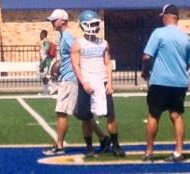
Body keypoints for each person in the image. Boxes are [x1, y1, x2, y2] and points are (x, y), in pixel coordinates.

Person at [42, 9, 109, 156]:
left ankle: (59, 145)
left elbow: (78, 54)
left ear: (63, 21)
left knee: (61, 112)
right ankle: (103, 138)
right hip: (68, 77)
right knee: (82, 115)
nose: (52, 23)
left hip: (70, 79)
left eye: (54, 20)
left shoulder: (67, 37)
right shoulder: (62, 36)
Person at [141, 4, 190, 162]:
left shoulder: (159, 33)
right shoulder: (186, 37)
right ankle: (179, 151)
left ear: (166, 16)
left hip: (161, 81)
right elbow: (189, 61)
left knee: (153, 115)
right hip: (179, 82)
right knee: (176, 116)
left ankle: (149, 152)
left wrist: (145, 71)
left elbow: (146, 56)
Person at [71, 10, 125, 157]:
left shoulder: (103, 43)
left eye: (96, 23)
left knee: (110, 115)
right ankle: (89, 147)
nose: (95, 26)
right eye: (92, 24)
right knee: (87, 117)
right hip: (87, 83)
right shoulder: (78, 45)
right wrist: (83, 83)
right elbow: (76, 66)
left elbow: (107, 63)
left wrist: (110, 83)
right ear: (83, 25)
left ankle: (115, 145)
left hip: (102, 82)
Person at [38, 30, 53, 95]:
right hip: (44, 60)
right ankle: (46, 90)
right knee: (42, 76)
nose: (40, 36)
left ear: (43, 34)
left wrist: (43, 62)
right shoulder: (44, 41)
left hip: (46, 61)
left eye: (41, 34)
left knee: (43, 76)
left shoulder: (46, 41)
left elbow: (46, 49)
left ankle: (49, 89)